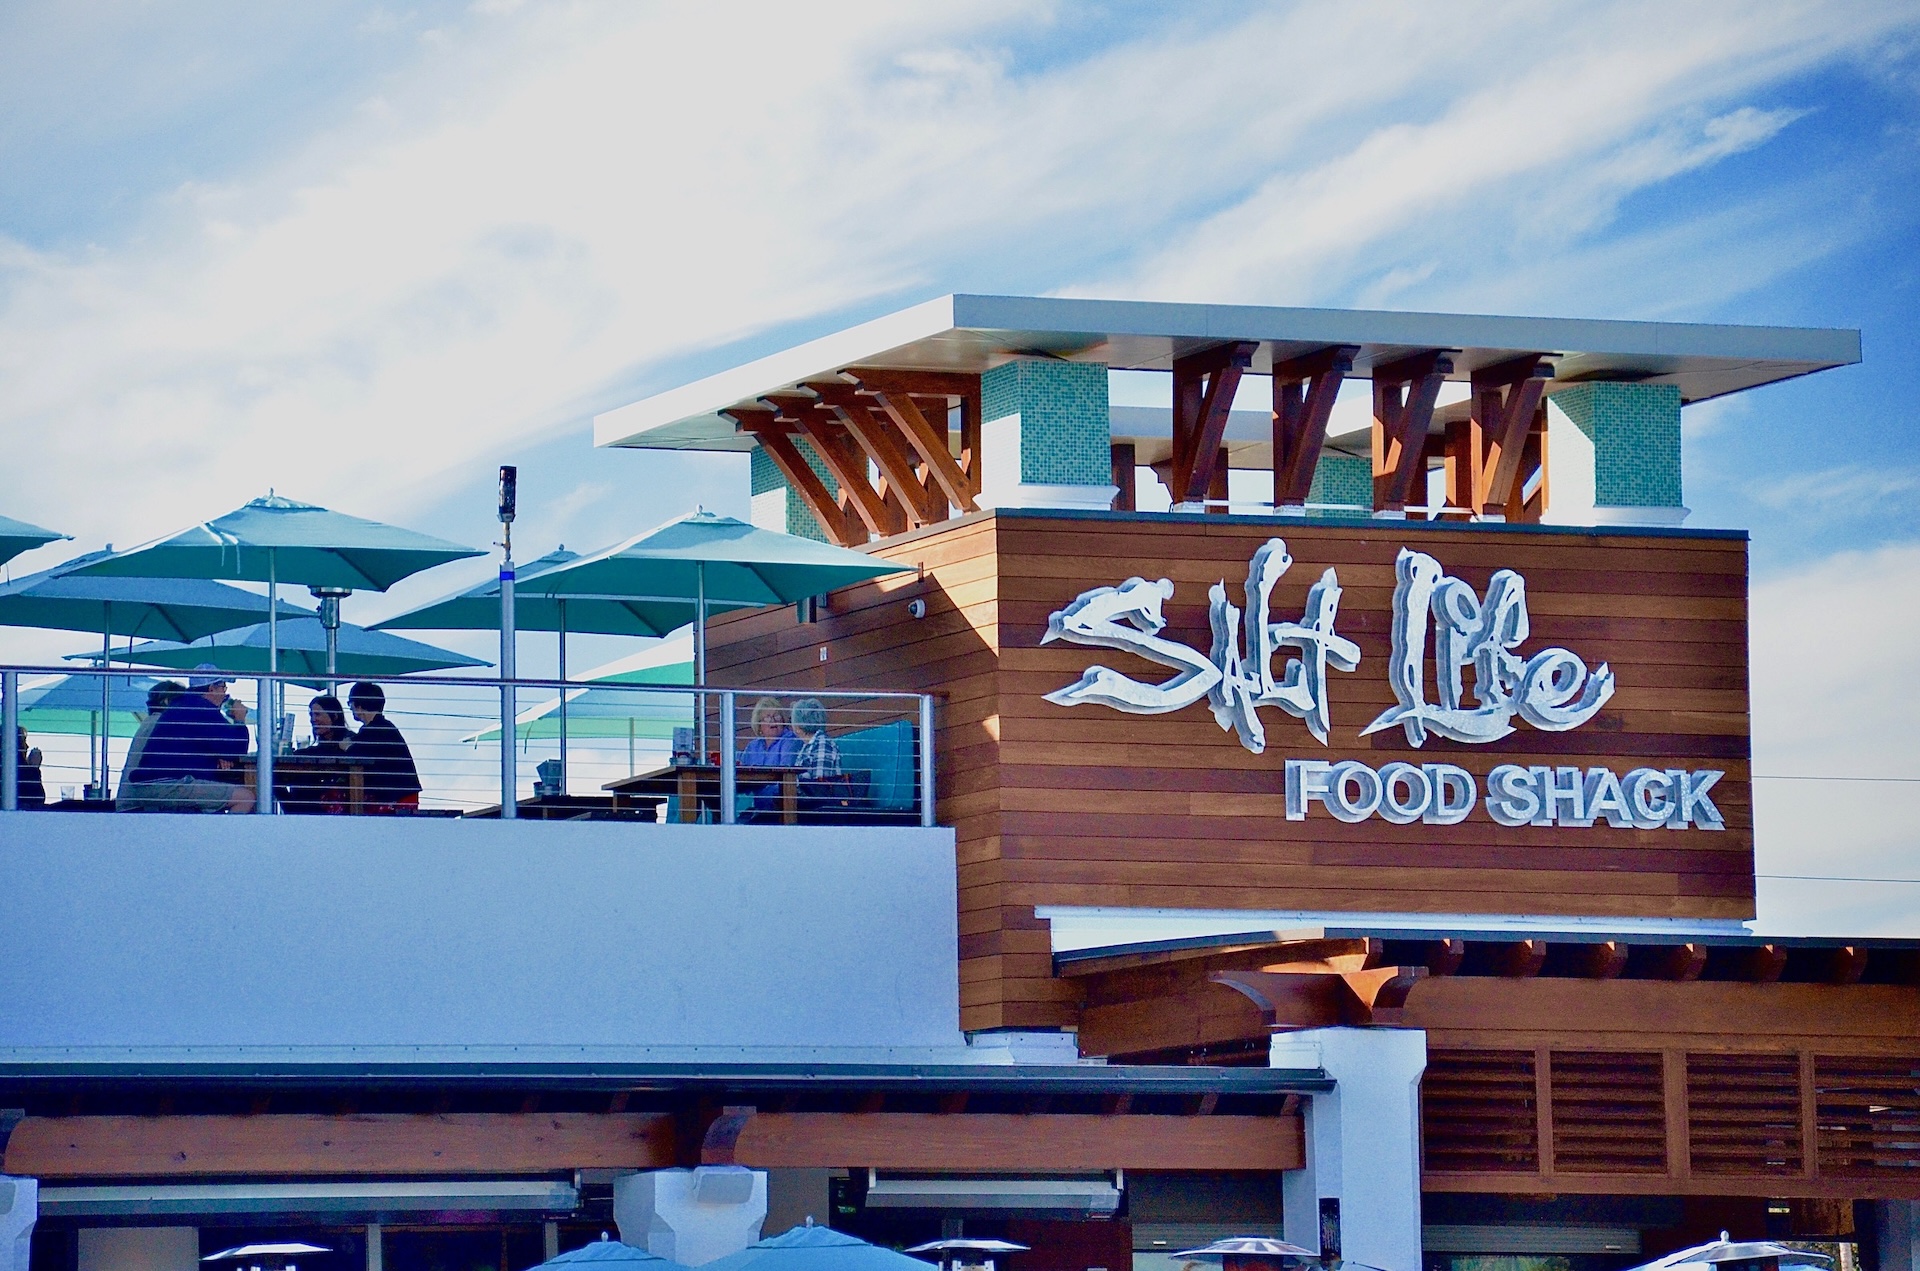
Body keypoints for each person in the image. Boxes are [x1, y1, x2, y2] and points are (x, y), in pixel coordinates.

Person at [121, 665, 254, 813]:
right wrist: (239, 719)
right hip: (168, 784)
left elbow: (219, 745)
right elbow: (236, 749)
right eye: (223, 687)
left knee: (218, 796)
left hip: (154, 783)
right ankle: (226, 830)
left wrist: (220, 755)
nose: (225, 694)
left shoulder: (184, 705)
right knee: (245, 798)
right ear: (212, 689)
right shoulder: (202, 709)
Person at [347, 681, 420, 814]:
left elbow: (356, 755)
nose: (350, 708)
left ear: (358, 706)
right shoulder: (384, 727)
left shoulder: (372, 731)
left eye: (350, 704)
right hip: (402, 793)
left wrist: (347, 747)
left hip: (394, 797)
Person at [116, 681, 185, 808]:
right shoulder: (163, 725)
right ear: (167, 701)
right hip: (142, 805)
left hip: (132, 802)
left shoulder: (150, 723)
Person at [281, 695, 353, 815]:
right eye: (311, 715)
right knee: (276, 779)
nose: (313, 719)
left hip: (336, 802)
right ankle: (292, 813)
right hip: (315, 802)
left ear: (334, 716)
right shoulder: (319, 746)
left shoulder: (348, 740)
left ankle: (294, 814)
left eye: (318, 714)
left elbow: (327, 754)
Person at [737, 697, 800, 822]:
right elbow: (741, 773)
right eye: (767, 717)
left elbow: (786, 772)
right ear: (759, 725)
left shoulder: (790, 740)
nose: (773, 721)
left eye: (777, 716)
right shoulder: (753, 746)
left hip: (780, 804)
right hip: (759, 806)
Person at [790, 696, 852, 821]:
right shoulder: (807, 746)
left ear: (798, 727)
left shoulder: (822, 743)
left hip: (819, 810)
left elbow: (820, 785)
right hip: (807, 805)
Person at [15, 726, 46, 808]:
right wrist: (33, 768)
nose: (27, 746)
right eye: (23, 741)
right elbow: (36, 799)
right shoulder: (19, 770)